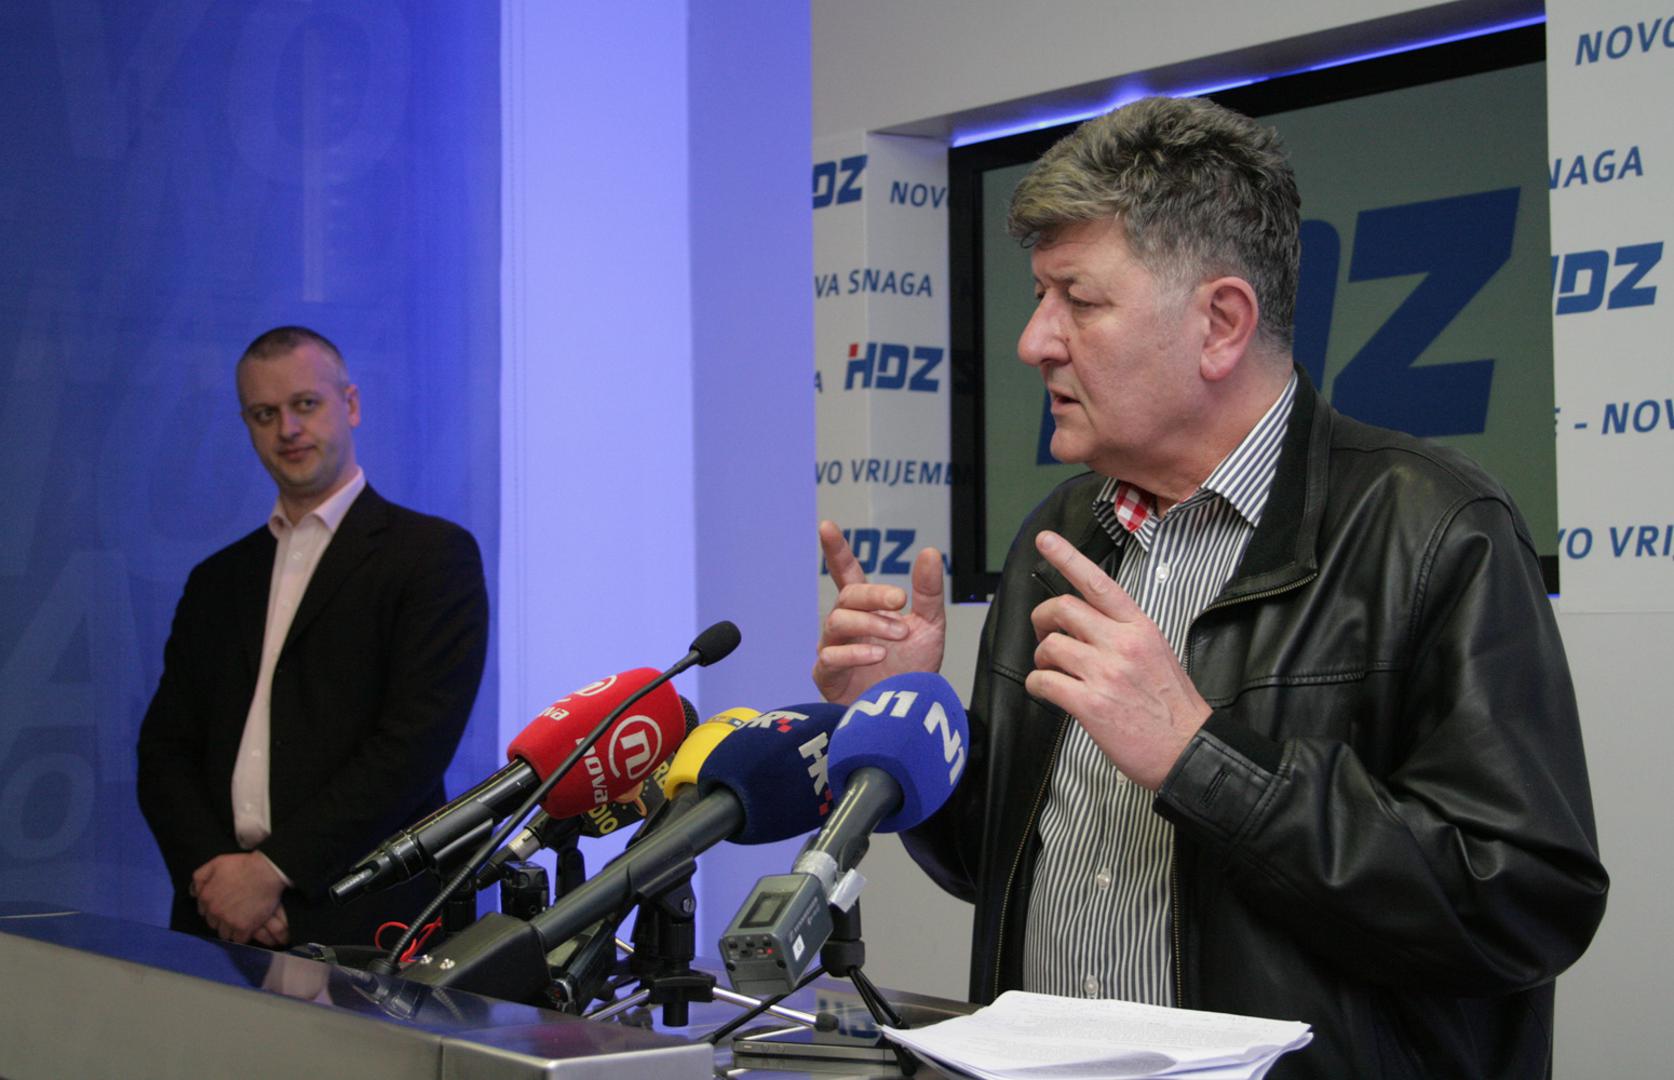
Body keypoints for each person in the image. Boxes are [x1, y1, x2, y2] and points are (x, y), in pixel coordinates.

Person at [813, 97, 1607, 1078]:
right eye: (1038, 296)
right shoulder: (1059, 538)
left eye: (1078, 301)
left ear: (1221, 324)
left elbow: (1522, 903)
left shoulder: (1434, 528)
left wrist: (1201, 758)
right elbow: (1003, 865)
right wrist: (909, 729)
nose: (1034, 341)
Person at [138, 326, 488, 950]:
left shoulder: (432, 557)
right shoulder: (217, 580)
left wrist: (272, 873)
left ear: (349, 404)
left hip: (364, 919)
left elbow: (413, 747)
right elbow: (164, 752)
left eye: (305, 404)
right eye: (264, 414)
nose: (288, 430)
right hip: (217, 920)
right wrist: (218, 880)